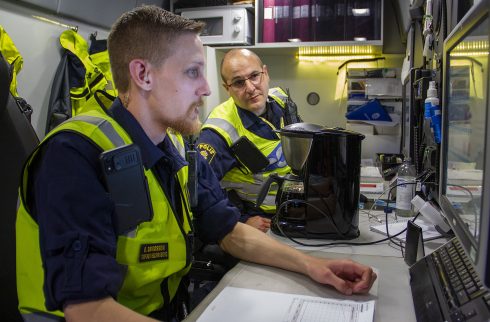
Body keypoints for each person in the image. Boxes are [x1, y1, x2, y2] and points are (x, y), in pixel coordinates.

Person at [16, 6, 377, 322]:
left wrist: (314, 267)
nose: (206, 89)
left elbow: (229, 231)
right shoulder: (74, 155)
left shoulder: (174, 147)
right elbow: (88, 310)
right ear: (143, 75)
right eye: (192, 72)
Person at [197, 49, 300, 232]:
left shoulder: (282, 101)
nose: (251, 88)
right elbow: (199, 189)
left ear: (265, 73)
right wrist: (239, 220)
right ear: (227, 88)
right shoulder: (218, 132)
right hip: (260, 224)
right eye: (238, 82)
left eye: (254, 76)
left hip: (295, 210)